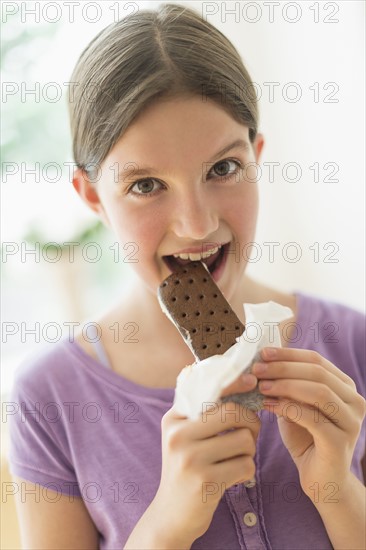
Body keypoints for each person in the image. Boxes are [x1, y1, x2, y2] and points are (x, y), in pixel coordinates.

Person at [9, 4, 365, 549]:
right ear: (92, 197)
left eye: (223, 168)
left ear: (256, 157)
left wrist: (338, 489)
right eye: (146, 185)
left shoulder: (353, 345)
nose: (197, 223)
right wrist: (166, 525)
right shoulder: (50, 399)